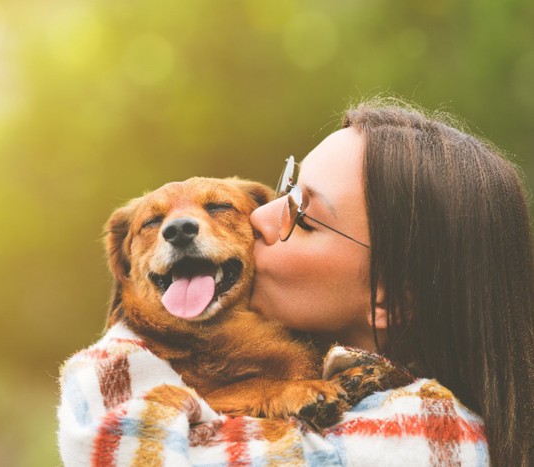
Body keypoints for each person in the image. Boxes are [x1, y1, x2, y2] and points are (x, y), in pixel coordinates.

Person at [58, 100, 534, 466]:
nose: (261, 215)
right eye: (289, 187)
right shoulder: (124, 370)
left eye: (304, 217)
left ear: (393, 298)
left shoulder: (424, 432)